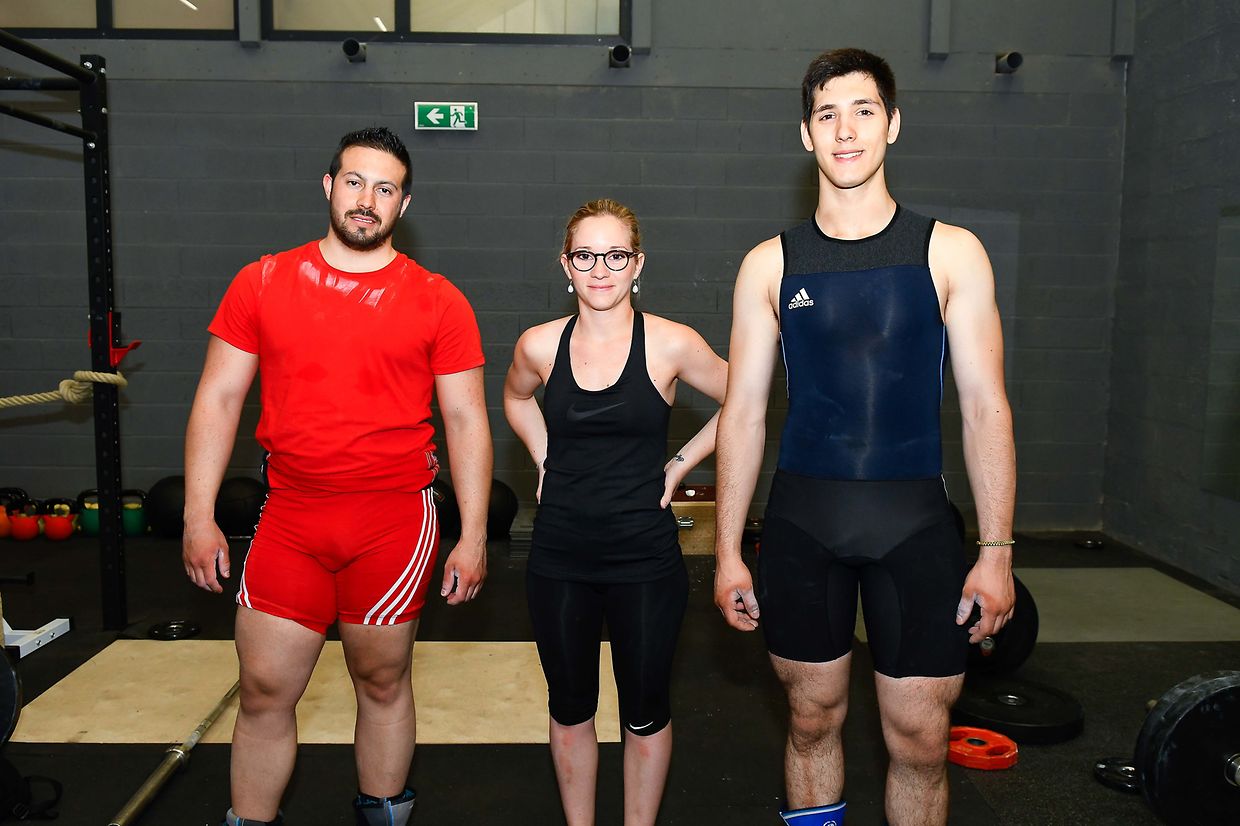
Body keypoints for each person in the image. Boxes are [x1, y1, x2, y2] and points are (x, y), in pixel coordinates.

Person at [712, 49, 1017, 826]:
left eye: (864, 110)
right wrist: (724, 552)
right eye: (826, 115)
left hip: (914, 527)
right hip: (800, 526)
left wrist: (996, 550)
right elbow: (742, 414)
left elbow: (985, 407)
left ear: (894, 123)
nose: (845, 130)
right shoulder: (767, 267)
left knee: (919, 737)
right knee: (810, 722)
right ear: (806, 136)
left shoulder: (951, 253)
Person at [182, 126, 492, 826]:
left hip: (392, 521)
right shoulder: (261, 281)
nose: (366, 199)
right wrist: (197, 516)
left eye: (385, 188)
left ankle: (382, 814)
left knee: (381, 681)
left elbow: (467, 419)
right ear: (328, 187)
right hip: (291, 516)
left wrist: (472, 535)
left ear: (403, 205)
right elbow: (219, 398)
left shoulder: (439, 299)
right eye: (354, 182)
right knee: (263, 689)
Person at [503, 199, 728, 826]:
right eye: (586, 256)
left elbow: (744, 398)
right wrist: (545, 457)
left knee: (645, 709)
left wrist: (679, 466)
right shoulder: (540, 345)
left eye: (616, 255)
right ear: (566, 267)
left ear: (638, 265)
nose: (600, 269)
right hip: (559, 557)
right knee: (571, 707)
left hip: (645, 558)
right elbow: (516, 399)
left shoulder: (672, 343)